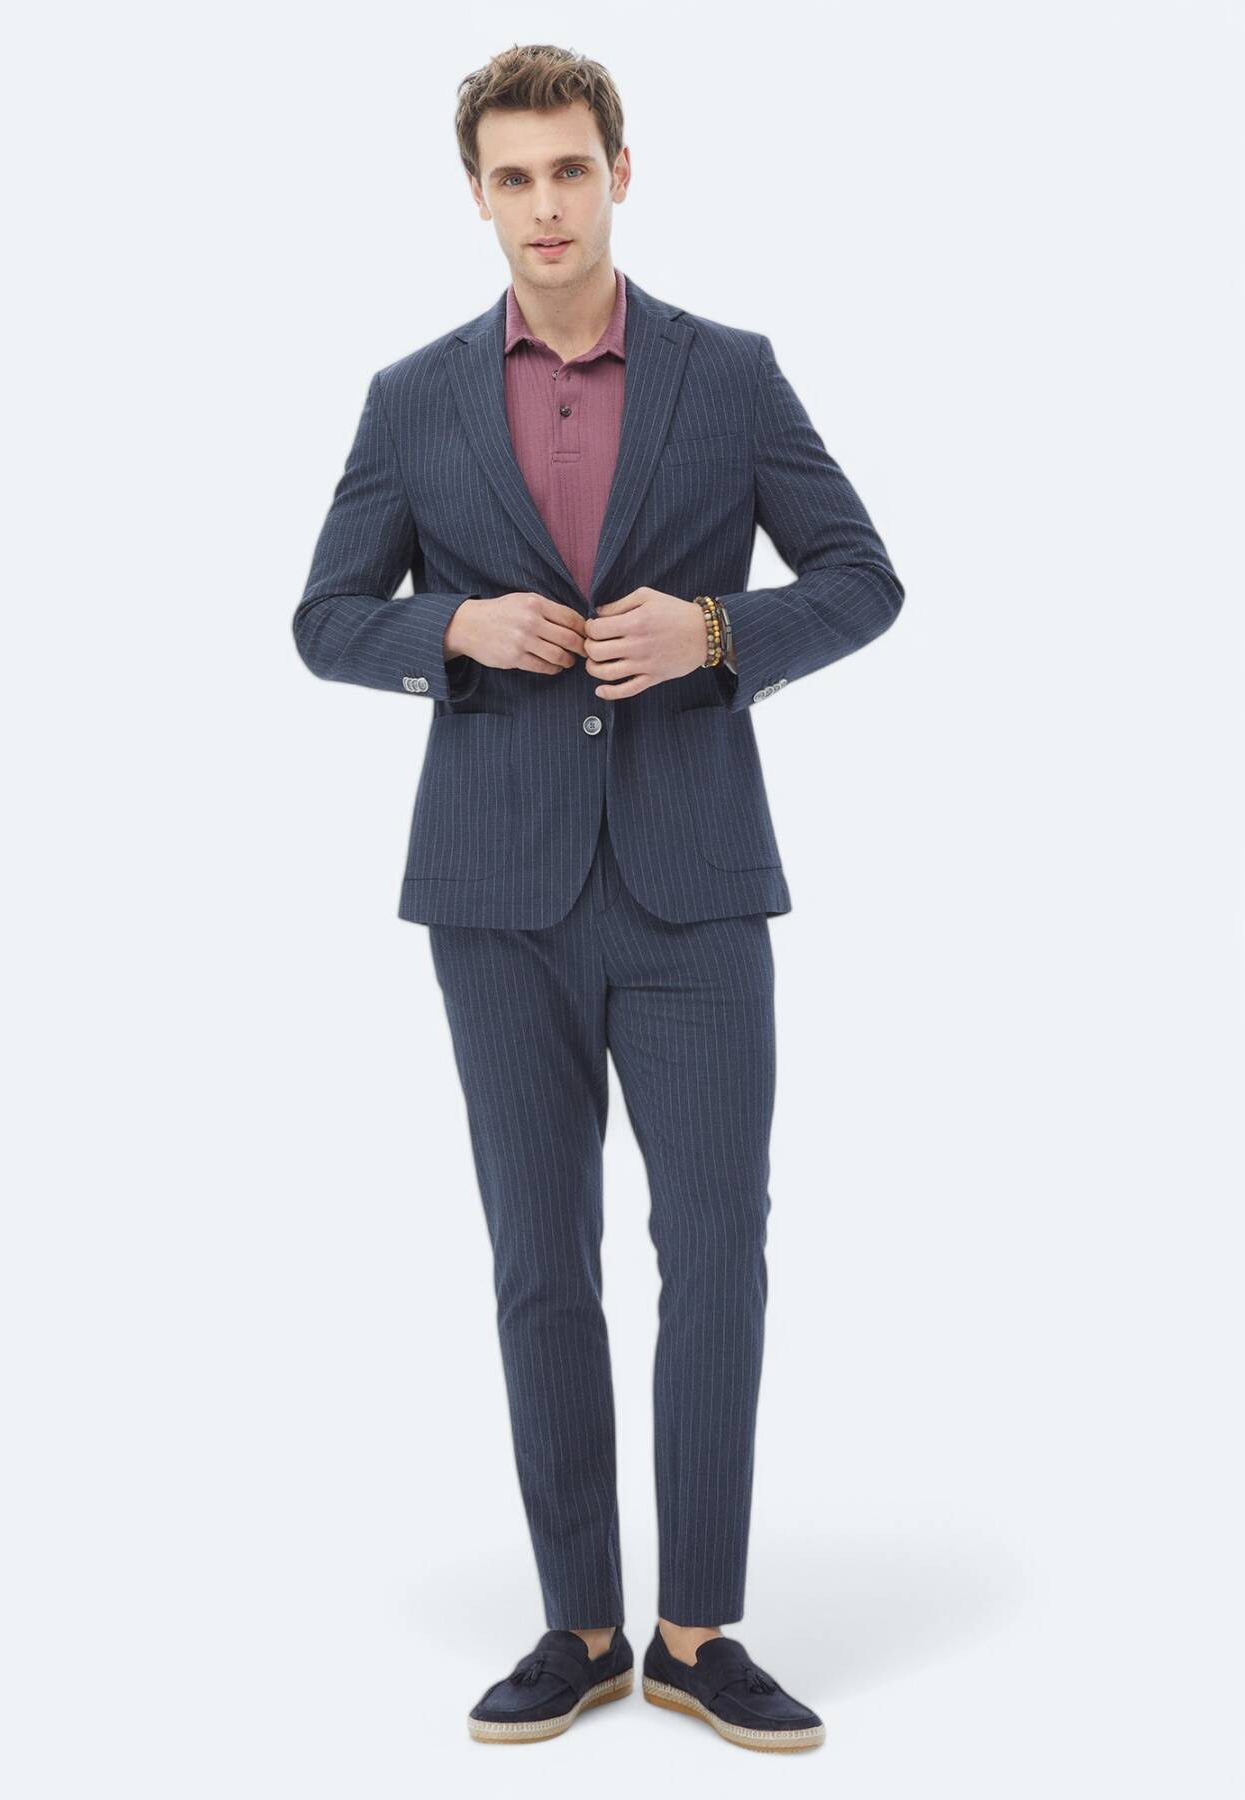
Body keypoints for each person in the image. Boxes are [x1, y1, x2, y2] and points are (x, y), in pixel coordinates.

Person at [292, 42, 904, 1753]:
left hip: (694, 884)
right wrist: (449, 627)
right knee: (537, 1257)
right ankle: (577, 1625)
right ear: (476, 195)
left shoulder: (730, 374)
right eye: (514, 177)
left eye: (570, 169)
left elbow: (862, 577)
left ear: (619, 173)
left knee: (713, 1251)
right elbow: (324, 618)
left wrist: (715, 632)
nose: (545, 205)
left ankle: (695, 1633)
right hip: (494, 892)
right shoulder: (410, 398)